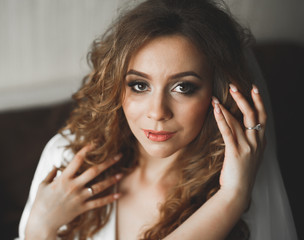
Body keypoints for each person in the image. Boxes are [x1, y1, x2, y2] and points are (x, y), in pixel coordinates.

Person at [17, 0, 297, 239]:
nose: (157, 112)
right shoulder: (66, 160)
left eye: (183, 87)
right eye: (139, 85)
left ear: (220, 93)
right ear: (116, 87)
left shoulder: (244, 191)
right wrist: (38, 228)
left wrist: (232, 196)